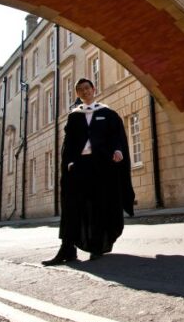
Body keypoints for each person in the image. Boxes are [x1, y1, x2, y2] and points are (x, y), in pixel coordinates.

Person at [42, 78, 135, 265]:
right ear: (77, 94)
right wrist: (68, 162)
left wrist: (117, 150)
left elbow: (117, 137)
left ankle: (97, 246)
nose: (84, 92)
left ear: (94, 89)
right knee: (71, 206)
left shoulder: (107, 114)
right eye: (80, 90)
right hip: (79, 166)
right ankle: (67, 248)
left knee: (99, 206)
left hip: (101, 165)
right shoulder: (75, 116)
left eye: (87, 88)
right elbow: (67, 144)